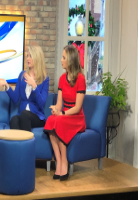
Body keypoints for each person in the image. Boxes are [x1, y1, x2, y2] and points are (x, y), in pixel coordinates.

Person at [44, 45, 86, 181]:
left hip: (76, 117)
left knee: (60, 122)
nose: (61, 60)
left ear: (71, 60)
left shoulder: (80, 79)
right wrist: (56, 109)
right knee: (51, 120)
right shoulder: (62, 78)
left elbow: (78, 107)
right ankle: (58, 161)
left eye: (63, 58)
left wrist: (62, 114)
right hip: (65, 114)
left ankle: (64, 162)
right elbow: (59, 103)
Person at [0, 45, 49, 131]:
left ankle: (27, 143)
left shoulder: (45, 78)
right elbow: (15, 99)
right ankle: (18, 144)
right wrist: (6, 85)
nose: (27, 59)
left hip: (37, 117)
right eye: (27, 56)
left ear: (37, 58)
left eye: (30, 56)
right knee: (13, 120)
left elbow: (41, 103)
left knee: (24, 114)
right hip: (23, 115)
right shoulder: (22, 75)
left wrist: (34, 86)